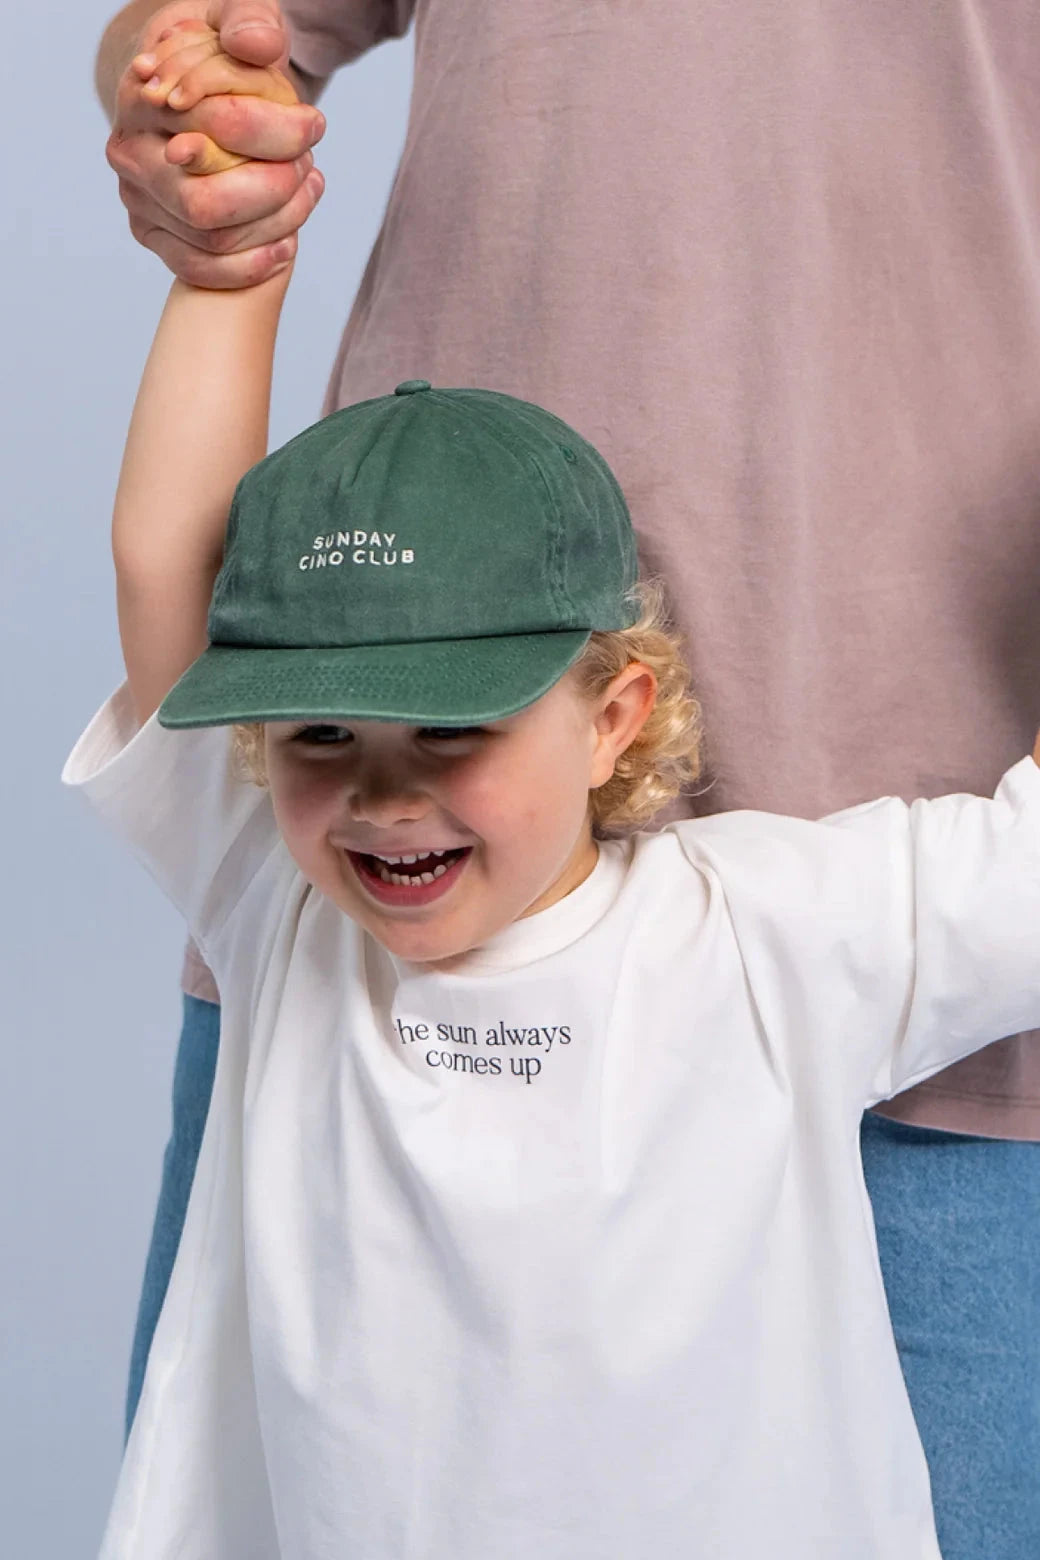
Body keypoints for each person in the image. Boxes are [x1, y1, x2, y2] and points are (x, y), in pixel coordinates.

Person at [94, 4, 1040, 1555]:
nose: (385, 794)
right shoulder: (285, 905)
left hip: (929, 920)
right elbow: (162, 568)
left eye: (445, 731)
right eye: (324, 735)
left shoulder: (776, 942)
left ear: (619, 716)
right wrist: (218, 223)